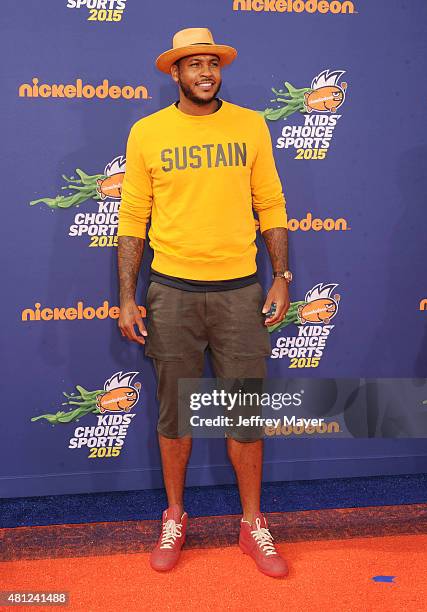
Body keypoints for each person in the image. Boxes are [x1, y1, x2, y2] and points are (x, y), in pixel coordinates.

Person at [117, 27, 292, 578]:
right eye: (193, 65)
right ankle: (174, 515)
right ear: (176, 73)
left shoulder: (250, 124)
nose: (205, 72)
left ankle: (252, 523)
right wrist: (125, 296)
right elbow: (132, 220)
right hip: (171, 292)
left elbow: (271, 201)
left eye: (211, 63)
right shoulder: (146, 131)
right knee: (175, 414)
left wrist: (282, 275)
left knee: (245, 413)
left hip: (242, 291)